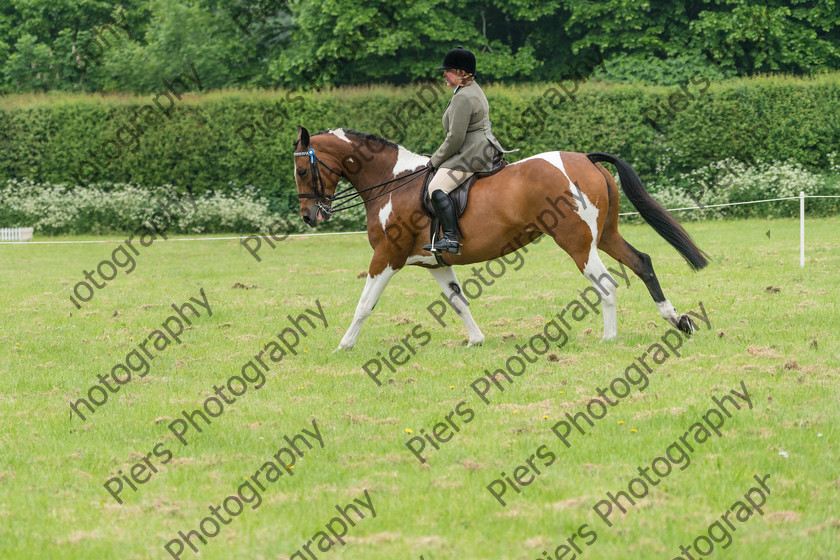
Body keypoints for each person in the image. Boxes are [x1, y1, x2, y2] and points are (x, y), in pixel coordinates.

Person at [423, 46, 507, 254]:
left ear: (462, 73)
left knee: (436, 188)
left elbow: (455, 138)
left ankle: (450, 238)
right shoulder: (470, 89)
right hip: (480, 147)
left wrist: (434, 160)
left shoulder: (463, 97)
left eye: (448, 70)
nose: (444, 74)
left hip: (472, 153)